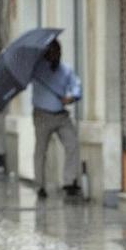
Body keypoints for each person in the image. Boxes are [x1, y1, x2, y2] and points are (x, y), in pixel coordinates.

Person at [32, 39, 82, 198]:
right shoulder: (37, 69)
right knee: (41, 150)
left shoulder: (66, 69)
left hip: (61, 115)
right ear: (46, 53)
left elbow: (76, 85)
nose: (55, 55)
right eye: (52, 52)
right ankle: (40, 186)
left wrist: (72, 97)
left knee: (72, 144)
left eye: (58, 52)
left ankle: (69, 182)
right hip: (42, 115)